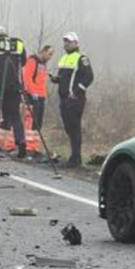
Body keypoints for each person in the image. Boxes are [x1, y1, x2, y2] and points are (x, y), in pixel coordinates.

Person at [0, 26, 27, 159]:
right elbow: (23, 62)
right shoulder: (18, 44)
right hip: (14, 86)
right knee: (15, 115)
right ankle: (21, 142)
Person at [52, 32, 93, 168]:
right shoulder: (63, 58)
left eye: (69, 42)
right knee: (68, 128)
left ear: (76, 43)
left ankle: (76, 158)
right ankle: (74, 156)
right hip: (63, 98)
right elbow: (64, 78)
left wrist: (76, 91)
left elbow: (89, 77)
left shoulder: (81, 58)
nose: (66, 44)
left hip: (75, 99)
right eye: (65, 41)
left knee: (74, 128)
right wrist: (56, 80)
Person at [23, 45, 54, 130]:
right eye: (49, 54)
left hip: (41, 96)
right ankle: (29, 141)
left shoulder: (43, 64)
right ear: (43, 51)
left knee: (38, 123)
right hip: (32, 96)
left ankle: (34, 141)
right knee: (31, 122)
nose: (50, 57)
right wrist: (32, 92)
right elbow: (27, 78)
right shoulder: (33, 60)